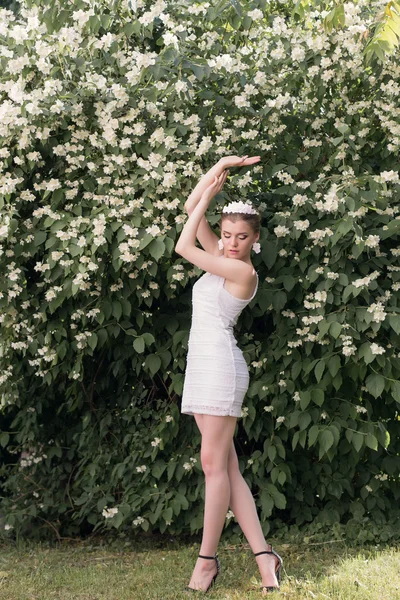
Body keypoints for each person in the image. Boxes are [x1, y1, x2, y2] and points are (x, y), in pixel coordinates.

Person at [175, 156, 283, 595]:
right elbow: (188, 210)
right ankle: (265, 559)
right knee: (228, 468)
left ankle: (206, 561)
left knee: (212, 465)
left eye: (242, 237)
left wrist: (209, 203)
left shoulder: (241, 270)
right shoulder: (221, 255)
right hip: (201, 365)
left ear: (255, 240)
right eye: (227, 235)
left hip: (221, 366)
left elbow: (184, 245)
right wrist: (216, 170)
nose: (233, 243)